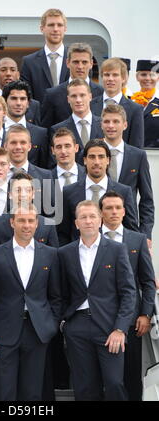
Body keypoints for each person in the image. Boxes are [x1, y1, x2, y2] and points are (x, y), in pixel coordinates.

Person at [58, 200, 136, 401]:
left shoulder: (117, 250)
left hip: (110, 328)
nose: (88, 221)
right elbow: (60, 292)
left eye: (92, 216)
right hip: (77, 327)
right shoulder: (65, 253)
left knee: (114, 383)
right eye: (83, 217)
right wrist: (65, 323)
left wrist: (120, 329)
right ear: (76, 223)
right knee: (84, 387)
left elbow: (128, 292)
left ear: (100, 220)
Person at [0, 203, 61, 400]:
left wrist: (50, 325)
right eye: (21, 220)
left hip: (37, 332)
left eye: (30, 221)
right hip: (4, 331)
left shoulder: (50, 254)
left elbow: (56, 296)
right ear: (12, 222)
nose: (26, 225)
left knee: (32, 391)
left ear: (36, 224)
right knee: (4, 390)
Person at [99, 191, 156, 401]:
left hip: (132, 320)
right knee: (104, 378)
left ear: (124, 211)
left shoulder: (137, 240)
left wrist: (146, 314)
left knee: (131, 374)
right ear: (101, 212)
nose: (114, 212)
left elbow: (147, 281)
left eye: (117, 208)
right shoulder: (90, 237)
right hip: (98, 318)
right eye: (108, 208)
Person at [57, 139, 139, 245]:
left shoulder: (124, 192)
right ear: (85, 160)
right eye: (92, 157)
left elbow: (131, 230)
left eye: (101, 157)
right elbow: (62, 232)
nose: (96, 162)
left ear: (108, 160)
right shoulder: (68, 192)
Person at [101, 104, 154, 243]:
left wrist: (146, 234)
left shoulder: (138, 156)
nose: (111, 126)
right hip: (97, 228)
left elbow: (146, 199)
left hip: (129, 228)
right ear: (101, 125)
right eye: (107, 121)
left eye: (116, 121)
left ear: (125, 125)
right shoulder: (91, 154)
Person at [0, 171, 59, 248]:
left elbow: (53, 257)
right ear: (10, 194)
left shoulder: (48, 225)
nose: (23, 194)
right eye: (18, 190)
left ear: (33, 194)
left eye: (27, 190)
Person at [41, 42, 103, 128]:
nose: (80, 66)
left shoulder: (102, 93)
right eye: (76, 62)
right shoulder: (52, 95)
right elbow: (46, 130)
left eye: (84, 62)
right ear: (67, 63)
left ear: (91, 64)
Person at [90, 58, 144, 148]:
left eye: (115, 75)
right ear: (102, 77)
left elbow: (136, 146)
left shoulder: (135, 109)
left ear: (123, 78)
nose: (110, 79)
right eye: (107, 75)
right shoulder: (90, 105)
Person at [4, 124, 55, 219]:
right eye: (13, 143)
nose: (18, 147)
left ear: (29, 146)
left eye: (23, 142)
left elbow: (50, 216)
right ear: (5, 146)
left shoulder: (45, 176)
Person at [49, 78, 103, 165]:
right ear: (68, 99)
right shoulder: (57, 129)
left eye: (82, 95)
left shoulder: (104, 125)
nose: (78, 100)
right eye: (74, 96)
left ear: (90, 97)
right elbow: (53, 164)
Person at [21, 8, 69, 103]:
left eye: (59, 25)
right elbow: (27, 97)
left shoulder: (75, 59)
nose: (55, 29)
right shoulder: (29, 62)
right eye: (51, 25)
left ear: (65, 29)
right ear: (42, 29)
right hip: (40, 116)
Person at [3, 80, 49, 168]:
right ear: (5, 101)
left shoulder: (40, 134)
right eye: (14, 98)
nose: (18, 103)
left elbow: (43, 166)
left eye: (23, 99)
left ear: (28, 103)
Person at [132, 59, 159, 147]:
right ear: (137, 77)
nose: (147, 78)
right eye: (143, 74)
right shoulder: (130, 101)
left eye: (152, 75)